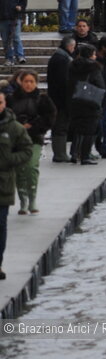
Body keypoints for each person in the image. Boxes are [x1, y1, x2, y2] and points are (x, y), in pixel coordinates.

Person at [10, 69, 55, 215]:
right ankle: (23, 200)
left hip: (34, 138)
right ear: (20, 82)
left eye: (32, 81)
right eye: (26, 81)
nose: (29, 84)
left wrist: (35, 126)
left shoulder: (42, 99)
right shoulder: (11, 99)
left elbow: (50, 117)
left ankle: (32, 199)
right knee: (19, 171)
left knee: (31, 168)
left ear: (36, 83)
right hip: (15, 140)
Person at [0, 89, 32, 278]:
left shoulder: (13, 128)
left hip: (3, 185)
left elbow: (27, 149)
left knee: (0, 226)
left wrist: (10, 159)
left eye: (0, 102)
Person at [67, 44, 105, 165]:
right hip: (90, 101)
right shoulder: (94, 67)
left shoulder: (73, 66)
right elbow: (100, 84)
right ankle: (85, 156)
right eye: (94, 54)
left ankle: (74, 153)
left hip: (75, 99)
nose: (95, 56)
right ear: (90, 55)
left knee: (78, 128)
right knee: (90, 129)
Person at [46, 36, 75, 163]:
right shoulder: (63, 59)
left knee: (60, 126)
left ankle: (61, 153)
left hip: (56, 98)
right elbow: (64, 81)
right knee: (60, 126)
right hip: (61, 100)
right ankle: (60, 154)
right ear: (69, 46)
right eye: (73, 47)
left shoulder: (59, 56)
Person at [0, 0, 27, 66]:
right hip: (2, 19)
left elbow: (24, 0)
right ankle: (9, 58)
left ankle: (20, 56)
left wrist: (20, 7)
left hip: (15, 18)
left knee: (16, 37)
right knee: (5, 40)